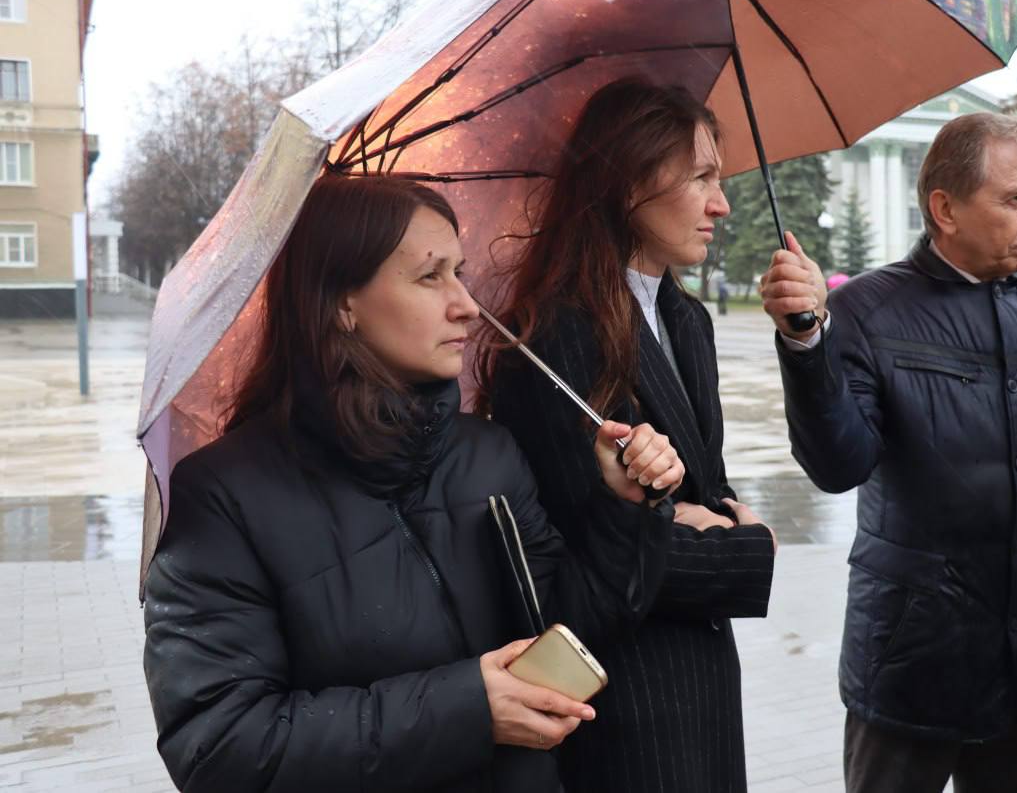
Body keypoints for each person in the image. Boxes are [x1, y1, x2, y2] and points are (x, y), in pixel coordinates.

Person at [142, 175, 686, 793]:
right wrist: (468, 710)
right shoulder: (223, 497)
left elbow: (564, 629)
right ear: (342, 303)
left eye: (459, 273)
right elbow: (218, 748)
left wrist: (623, 508)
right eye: (431, 276)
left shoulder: (487, 454)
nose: (467, 304)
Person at [759, 112, 1017, 793]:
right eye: (1016, 198)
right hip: (911, 662)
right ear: (945, 209)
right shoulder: (868, 311)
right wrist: (807, 344)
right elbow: (838, 466)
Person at [478, 78, 777, 793]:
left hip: (705, 679)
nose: (721, 204)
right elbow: (596, 552)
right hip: (627, 698)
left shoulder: (687, 319)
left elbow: (708, 490)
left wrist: (701, 517)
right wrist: (750, 548)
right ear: (629, 182)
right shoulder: (558, 337)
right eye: (700, 177)